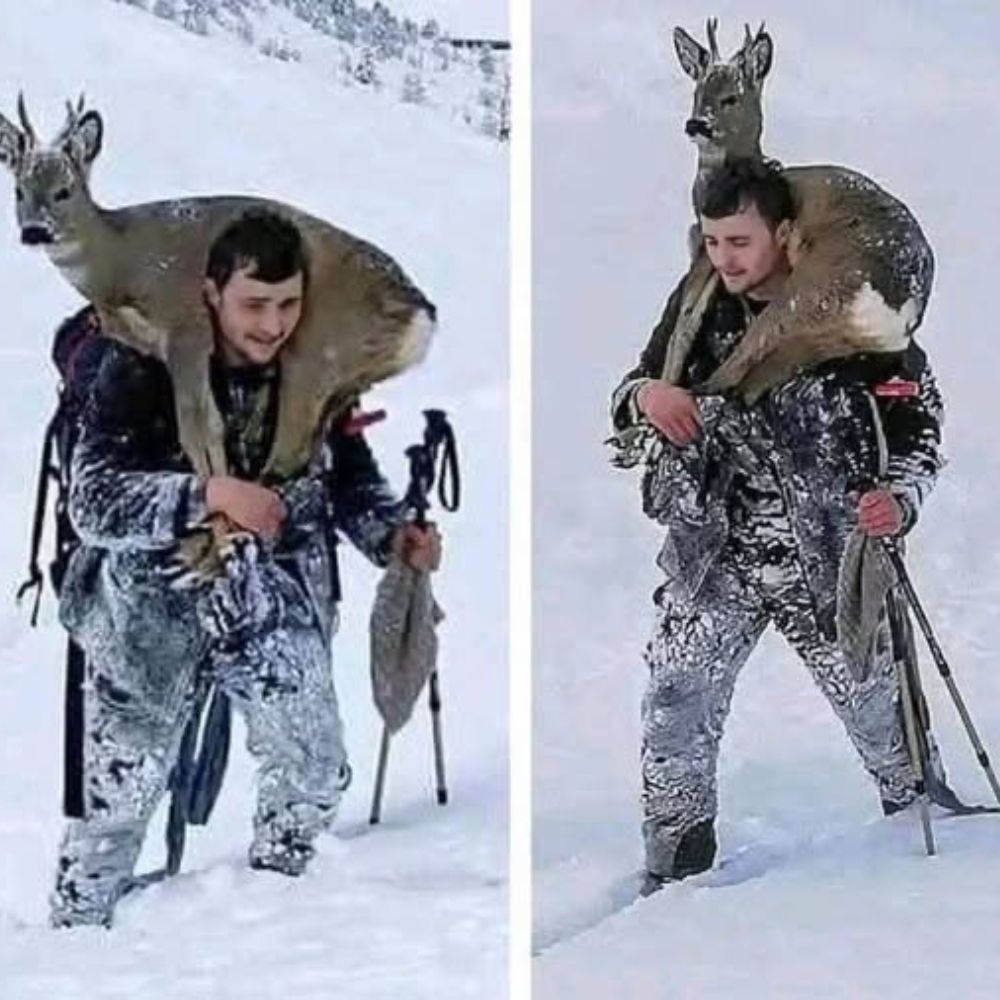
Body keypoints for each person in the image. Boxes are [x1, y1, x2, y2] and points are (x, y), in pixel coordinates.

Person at [50, 209, 441, 927]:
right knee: (117, 801)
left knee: (315, 767)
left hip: (267, 587)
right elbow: (94, 501)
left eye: (288, 305)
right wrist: (207, 495)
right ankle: (75, 946)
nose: (272, 325)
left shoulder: (310, 373)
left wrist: (393, 537)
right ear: (211, 294)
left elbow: (344, 475)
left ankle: (274, 922)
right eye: (254, 305)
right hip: (147, 601)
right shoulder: (137, 365)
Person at [609, 158, 945, 894]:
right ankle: (674, 867)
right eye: (710, 240)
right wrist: (649, 396)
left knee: (877, 706)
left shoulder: (848, 314)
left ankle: (930, 849)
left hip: (824, 556)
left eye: (738, 241)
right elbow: (630, 387)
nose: (722, 258)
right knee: (676, 697)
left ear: (785, 235)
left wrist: (898, 499)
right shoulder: (697, 307)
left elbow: (919, 427)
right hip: (713, 550)